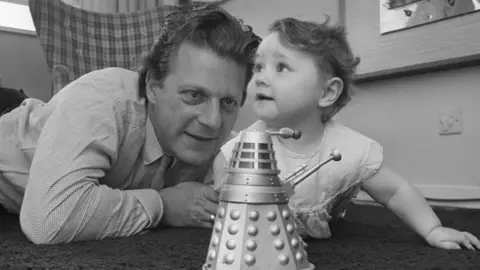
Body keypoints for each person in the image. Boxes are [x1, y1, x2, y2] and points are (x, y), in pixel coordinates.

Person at [212, 17, 480, 251]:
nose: (260, 77)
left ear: (328, 93)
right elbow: (229, 202)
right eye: (258, 67)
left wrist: (432, 228)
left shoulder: (347, 148)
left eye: (281, 67)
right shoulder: (244, 147)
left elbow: (394, 191)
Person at [0, 4, 261, 245]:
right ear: (153, 87)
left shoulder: (225, 148)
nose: (213, 121)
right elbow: (48, 220)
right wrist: (163, 206)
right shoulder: (102, 98)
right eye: (194, 95)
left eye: (228, 102)